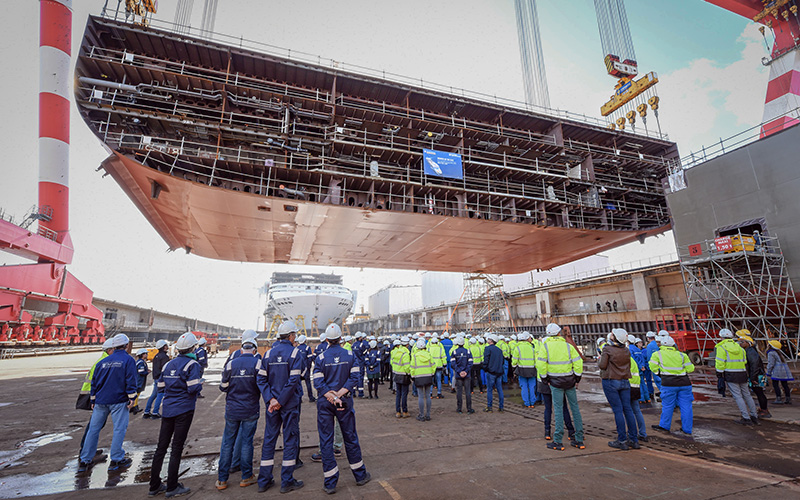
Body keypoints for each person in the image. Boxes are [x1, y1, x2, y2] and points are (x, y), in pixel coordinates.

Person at [313, 323, 371, 494]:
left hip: (326, 402)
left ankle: (330, 483)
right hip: (343, 401)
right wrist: (340, 393)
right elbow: (355, 376)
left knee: (326, 440)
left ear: (327, 339)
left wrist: (330, 395)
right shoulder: (350, 355)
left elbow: (317, 381)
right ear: (340, 338)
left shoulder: (321, 358)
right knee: (350, 437)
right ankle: (360, 476)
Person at [148, 331, 203, 497]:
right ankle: (172, 487)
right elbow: (193, 388)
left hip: (168, 410)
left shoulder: (168, 365)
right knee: (177, 448)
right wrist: (199, 384)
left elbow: (160, 387)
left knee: (161, 448)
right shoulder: (192, 365)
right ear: (192, 348)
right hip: (184, 410)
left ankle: (154, 485)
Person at [256, 320, 304, 493]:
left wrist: (271, 399)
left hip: (272, 406)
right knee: (290, 440)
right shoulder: (295, 353)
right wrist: (280, 401)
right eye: (294, 335)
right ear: (291, 336)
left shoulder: (268, 354)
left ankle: (264, 481)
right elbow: (293, 381)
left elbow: (261, 379)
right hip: (288, 404)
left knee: (269, 439)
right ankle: (287, 481)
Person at [78, 334, 137, 474]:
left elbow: (94, 382)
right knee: (119, 429)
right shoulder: (128, 360)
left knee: (93, 430)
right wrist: (132, 397)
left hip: (100, 401)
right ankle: (116, 459)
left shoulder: (102, 362)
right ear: (126, 345)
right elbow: (131, 379)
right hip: (118, 400)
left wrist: (93, 400)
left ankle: (85, 460)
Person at [216, 337, 261, 490]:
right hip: (250, 409)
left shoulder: (230, 364)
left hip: (232, 409)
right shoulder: (258, 363)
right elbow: (261, 385)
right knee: (247, 442)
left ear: (241, 350)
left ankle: (222, 480)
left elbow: (223, 387)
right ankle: (246, 476)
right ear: (254, 350)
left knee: (227, 443)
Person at [537, 323, 585, 451]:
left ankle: (558, 440)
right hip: (569, 381)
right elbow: (578, 362)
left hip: (555, 382)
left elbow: (541, 365)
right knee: (575, 408)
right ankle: (579, 438)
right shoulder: (568, 346)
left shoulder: (545, 347)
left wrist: (545, 378)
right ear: (559, 333)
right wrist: (577, 378)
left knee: (558, 409)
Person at [598, 329, 638, 450]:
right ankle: (634, 440)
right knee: (628, 410)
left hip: (611, 381)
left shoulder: (607, 349)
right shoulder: (626, 350)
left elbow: (602, 365)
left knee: (618, 411)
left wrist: (600, 358)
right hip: (625, 381)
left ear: (614, 337)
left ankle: (622, 440)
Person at [649, 335, 694, 435]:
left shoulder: (657, 354)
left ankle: (664, 426)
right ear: (673, 345)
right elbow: (690, 369)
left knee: (668, 405)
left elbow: (652, 366)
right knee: (686, 406)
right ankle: (687, 429)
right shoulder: (682, 355)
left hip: (668, 383)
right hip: (684, 383)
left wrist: (658, 373)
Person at [77, 337, 114, 458]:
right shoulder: (105, 362)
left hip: (93, 395)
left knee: (95, 425)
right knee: (94, 426)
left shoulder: (103, 360)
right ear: (109, 350)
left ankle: (88, 448)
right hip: (94, 396)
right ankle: (87, 451)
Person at [715, 328, 759, 425]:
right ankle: (754, 416)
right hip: (742, 373)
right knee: (747, 395)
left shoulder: (721, 347)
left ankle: (746, 418)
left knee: (738, 396)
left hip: (730, 374)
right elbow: (745, 361)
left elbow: (720, 362)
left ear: (721, 337)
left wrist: (719, 373)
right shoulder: (740, 348)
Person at [740, 335, 770, 419]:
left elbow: (754, 365)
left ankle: (764, 410)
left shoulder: (750, 351)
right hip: (758, 374)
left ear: (748, 343)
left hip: (757, 375)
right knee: (759, 392)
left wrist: (753, 377)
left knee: (759, 393)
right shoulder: (750, 350)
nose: (740, 344)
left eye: (742, 342)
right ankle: (763, 409)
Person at [144, 340, 170, 419]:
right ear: (163, 347)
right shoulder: (165, 357)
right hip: (161, 379)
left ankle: (147, 411)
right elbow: (165, 369)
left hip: (156, 377)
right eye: (166, 345)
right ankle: (155, 412)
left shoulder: (156, 356)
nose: (167, 347)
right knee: (160, 395)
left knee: (153, 395)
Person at [410, 339, 435, 421]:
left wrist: (412, 376)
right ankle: (428, 415)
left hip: (418, 377)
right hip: (428, 376)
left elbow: (412, 367)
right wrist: (432, 373)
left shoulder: (415, 356)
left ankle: (421, 415)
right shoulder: (429, 355)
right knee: (428, 396)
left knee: (420, 396)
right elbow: (433, 365)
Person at [511, 332, 537, 408]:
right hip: (532, 369)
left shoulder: (517, 348)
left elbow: (514, 360)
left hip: (522, 370)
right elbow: (535, 359)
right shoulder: (532, 347)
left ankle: (527, 403)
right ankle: (532, 402)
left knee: (524, 387)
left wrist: (514, 367)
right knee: (532, 386)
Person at [450, 335, 474, 414]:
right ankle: (469, 409)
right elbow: (470, 363)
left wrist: (459, 371)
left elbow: (453, 364)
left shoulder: (454, 352)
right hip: (467, 375)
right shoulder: (468, 351)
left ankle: (459, 408)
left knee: (459, 392)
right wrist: (465, 371)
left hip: (458, 375)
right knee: (467, 392)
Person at [767, 340, 793, 404]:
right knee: (785, 384)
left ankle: (778, 398)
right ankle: (788, 398)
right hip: (784, 370)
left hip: (777, 371)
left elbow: (771, 363)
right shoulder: (779, 353)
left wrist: (768, 372)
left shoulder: (771, 353)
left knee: (775, 385)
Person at [483, 335, 505, 412]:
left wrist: (485, 368)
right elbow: (502, 361)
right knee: (499, 389)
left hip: (491, 372)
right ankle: (501, 407)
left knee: (489, 390)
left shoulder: (487, 349)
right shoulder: (499, 350)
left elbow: (486, 360)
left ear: (491, 340)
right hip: (499, 372)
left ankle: (489, 407)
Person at [391, 337, 411, 418]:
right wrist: (409, 373)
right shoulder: (405, 354)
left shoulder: (395, 352)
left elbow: (392, 363)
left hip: (396, 374)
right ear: (407, 344)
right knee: (404, 394)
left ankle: (398, 411)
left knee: (398, 394)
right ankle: (405, 411)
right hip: (404, 376)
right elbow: (407, 367)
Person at [294, 335, 316, 403]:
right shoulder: (307, 348)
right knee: (308, 383)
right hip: (306, 369)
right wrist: (308, 368)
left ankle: (299, 398)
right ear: (304, 341)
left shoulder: (296, 348)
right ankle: (310, 397)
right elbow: (309, 358)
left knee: (299, 384)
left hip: (298, 369)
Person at [132, 348, 150, 414]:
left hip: (138, 380)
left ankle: (133, 406)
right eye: (146, 354)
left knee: (136, 393)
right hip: (139, 380)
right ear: (142, 355)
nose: (147, 355)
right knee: (137, 393)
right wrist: (147, 372)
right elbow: (141, 372)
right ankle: (135, 406)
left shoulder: (139, 362)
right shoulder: (141, 363)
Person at [428, 335, 446, 399]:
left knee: (431, 381)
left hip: (431, 366)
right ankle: (439, 393)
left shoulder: (428, 349)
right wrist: (445, 365)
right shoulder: (440, 349)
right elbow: (443, 357)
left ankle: (430, 393)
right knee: (439, 380)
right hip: (439, 365)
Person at [643, 331, 659, 400]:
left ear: (648, 338)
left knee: (657, 380)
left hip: (654, 366)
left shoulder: (649, 346)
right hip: (662, 365)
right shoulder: (658, 344)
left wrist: (649, 367)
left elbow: (649, 357)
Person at [352, 332, 368, 398]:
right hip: (360, 362)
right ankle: (360, 393)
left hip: (354, 363)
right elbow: (364, 353)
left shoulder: (353, 345)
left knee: (354, 377)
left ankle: (353, 392)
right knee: (360, 377)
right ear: (359, 338)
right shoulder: (362, 345)